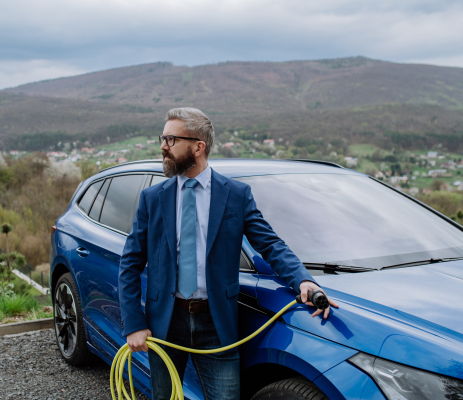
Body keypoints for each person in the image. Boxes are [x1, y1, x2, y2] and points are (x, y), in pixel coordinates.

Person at [118, 107, 338, 400]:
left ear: (198, 147)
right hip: (165, 324)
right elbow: (130, 263)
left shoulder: (236, 194)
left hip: (216, 323)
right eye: (163, 138)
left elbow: (270, 243)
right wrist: (134, 324)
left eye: (170, 139)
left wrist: (302, 281)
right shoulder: (152, 198)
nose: (163, 146)